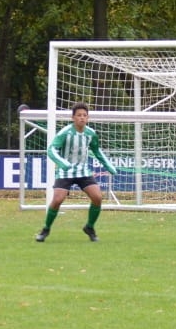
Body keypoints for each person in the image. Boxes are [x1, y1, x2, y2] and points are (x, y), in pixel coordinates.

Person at [36, 102, 117, 243]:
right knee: (57, 200)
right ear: (73, 117)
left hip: (83, 171)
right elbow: (51, 149)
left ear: (88, 118)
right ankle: (46, 229)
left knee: (97, 198)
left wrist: (108, 165)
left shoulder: (91, 134)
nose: (82, 117)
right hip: (66, 172)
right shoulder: (65, 132)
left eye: (84, 115)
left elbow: (97, 151)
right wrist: (63, 163)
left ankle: (89, 227)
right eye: (79, 115)